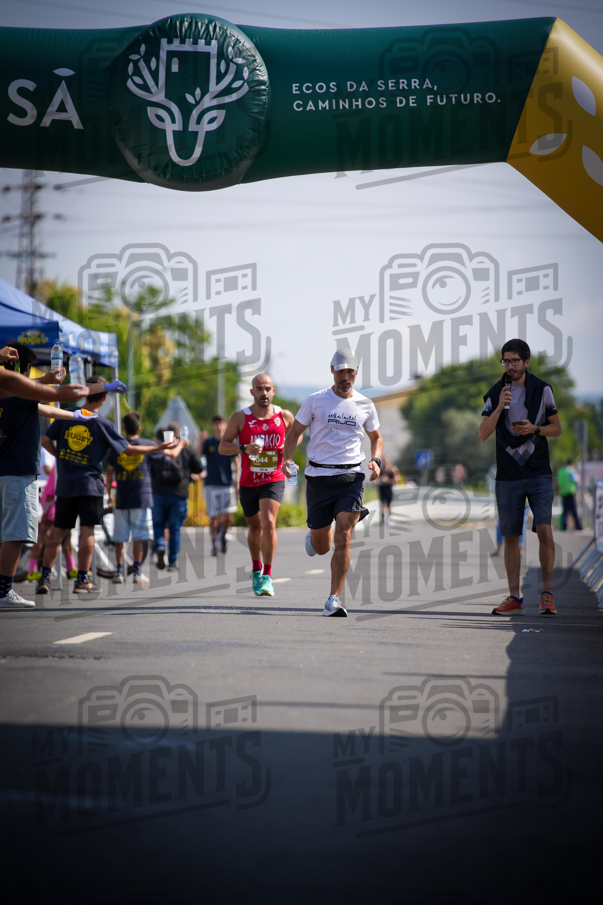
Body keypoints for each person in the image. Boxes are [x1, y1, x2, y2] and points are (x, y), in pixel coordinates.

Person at [37, 376, 176, 595]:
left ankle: (44, 577)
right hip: (90, 485)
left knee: (57, 532)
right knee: (87, 531)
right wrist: (158, 448)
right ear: (104, 398)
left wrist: (62, 460)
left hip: (65, 484)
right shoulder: (102, 424)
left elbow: (45, 441)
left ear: (84, 393)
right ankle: (82, 580)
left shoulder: (66, 415)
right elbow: (128, 450)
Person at [282, 348, 383, 617]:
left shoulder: (365, 405)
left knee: (344, 538)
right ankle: (314, 537)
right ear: (332, 371)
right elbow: (294, 433)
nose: (346, 376)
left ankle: (333, 599)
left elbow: (376, 437)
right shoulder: (315, 401)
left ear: (356, 373)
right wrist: (287, 461)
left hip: (351, 477)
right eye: (341, 371)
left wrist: (376, 460)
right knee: (322, 546)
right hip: (318, 478)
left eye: (350, 371)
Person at [0, 342, 95, 608]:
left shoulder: (9, 396)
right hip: (18, 472)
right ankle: (3, 591)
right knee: (14, 536)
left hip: (4, 472)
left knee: (4, 534)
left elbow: (45, 408)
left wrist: (74, 416)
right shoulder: (21, 392)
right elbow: (42, 391)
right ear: (26, 367)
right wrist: (53, 381)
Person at [479, 339, 562, 616]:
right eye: (506, 361)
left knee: (545, 529)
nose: (510, 366)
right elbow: (483, 432)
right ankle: (514, 597)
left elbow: (557, 429)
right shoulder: (495, 392)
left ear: (526, 362)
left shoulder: (543, 389)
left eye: (515, 361)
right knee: (511, 535)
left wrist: (535, 429)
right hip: (508, 474)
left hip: (538, 470)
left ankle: (547, 595)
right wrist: (500, 408)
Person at [219, 374, 296, 597]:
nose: (264, 393)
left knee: (269, 522)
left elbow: (296, 435)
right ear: (252, 392)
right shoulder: (240, 418)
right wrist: (243, 448)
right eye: (259, 389)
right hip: (249, 482)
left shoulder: (284, 416)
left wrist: (288, 456)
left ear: (274, 391)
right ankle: (255, 569)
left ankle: (268, 576)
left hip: (274, 477)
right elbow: (223, 447)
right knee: (254, 529)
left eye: (267, 389)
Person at [105, 410, 158, 585]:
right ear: (140, 428)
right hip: (142, 497)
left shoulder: (117, 447)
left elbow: (110, 473)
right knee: (139, 537)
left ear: (125, 428)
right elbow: (168, 455)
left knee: (120, 537)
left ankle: (119, 572)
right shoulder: (146, 444)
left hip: (122, 497)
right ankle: (136, 572)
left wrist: (109, 495)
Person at [149, 421, 203, 572]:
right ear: (179, 435)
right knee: (175, 529)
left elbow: (149, 468)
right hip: (178, 494)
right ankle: (172, 561)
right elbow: (199, 468)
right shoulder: (185, 448)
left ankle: (160, 546)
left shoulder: (158, 447)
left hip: (158, 492)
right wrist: (189, 475)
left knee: (158, 525)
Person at [0, 345, 88, 403]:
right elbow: (13, 385)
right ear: (28, 366)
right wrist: (58, 392)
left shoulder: (7, 389)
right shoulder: (25, 395)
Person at [202, 415, 238, 556]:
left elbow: (236, 461)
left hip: (227, 483)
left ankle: (223, 534)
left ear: (225, 425)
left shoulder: (229, 441)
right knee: (213, 516)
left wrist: (238, 480)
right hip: (211, 482)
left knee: (227, 515)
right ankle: (214, 543)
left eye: (221, 423)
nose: (219, 426)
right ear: (213, 425)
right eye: (216, 423)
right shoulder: (208, 442)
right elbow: (200, 456)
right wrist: (200, 442)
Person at [558, 458, 583, 530]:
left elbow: (559, 483)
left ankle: (563, 527)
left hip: (563, 493)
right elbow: (577, 479)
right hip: (571, 493)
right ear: (572, 464)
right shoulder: (570, 470)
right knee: (574, 511)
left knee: (565, 511)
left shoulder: (561, 471)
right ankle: (579, 527)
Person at [378, 455, 399, 526]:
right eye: (384, 461)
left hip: (389, 488)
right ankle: (382, 521)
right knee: (383, 505)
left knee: (389, 505)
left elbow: (396, 481)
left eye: (386, 461)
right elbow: (376, 480)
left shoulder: (392, 470)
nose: (385, 462)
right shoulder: (380, 470)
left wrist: (387, 480)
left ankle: (389, 520)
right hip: (382, 488)